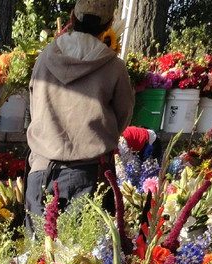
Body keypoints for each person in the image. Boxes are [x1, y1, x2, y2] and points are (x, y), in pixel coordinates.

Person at [24, 0, 133, 227]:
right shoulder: (114, 67)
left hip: (41, 169)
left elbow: (33, 108)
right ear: (109, 24)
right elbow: (122, 117)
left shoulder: (45, 57)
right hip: (87, 174)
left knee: (35, 259)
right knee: (81, 259)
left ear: (72, 18)